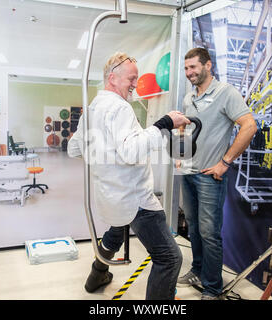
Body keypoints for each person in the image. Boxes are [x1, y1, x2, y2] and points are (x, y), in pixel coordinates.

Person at [68, 52, 190, 300]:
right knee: (169, 258)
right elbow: (131, 151)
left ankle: (97, 275)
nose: (136, 84)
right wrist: (165, 122)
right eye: (131, 78)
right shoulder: (120, 107)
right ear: (112, 78)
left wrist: (104, 152)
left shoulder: (92, 109)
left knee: (117, 228)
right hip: (135, 198)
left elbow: (74, 148)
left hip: (111, 195)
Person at [176, 48, 257, 300]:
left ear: (207, 65)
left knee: (209, 233)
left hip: (210, 175)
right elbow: (186, 130)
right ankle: (198, 270)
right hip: (188, 172)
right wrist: (180, 156)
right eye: (186, 68)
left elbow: (249, 125)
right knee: (194, 227)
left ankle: (212, 288)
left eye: (193, 67)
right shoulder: (189, 97)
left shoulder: (226, 93)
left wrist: (225, 162)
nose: (189, 73)